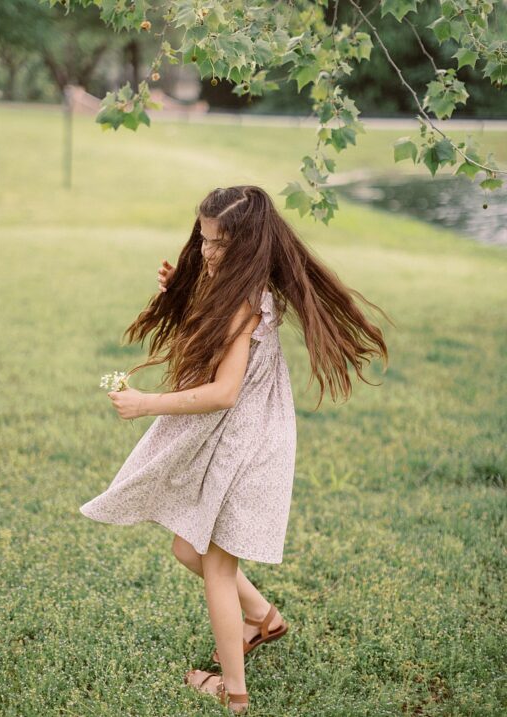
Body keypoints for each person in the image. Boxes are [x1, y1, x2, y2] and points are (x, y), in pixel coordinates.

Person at [80, 185, 390, 713]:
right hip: (245, 438)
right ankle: (265, 619)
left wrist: (148, 402)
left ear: (247, 244)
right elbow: (212, 335)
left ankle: (235, 693)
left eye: (220, 244)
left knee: (217, 569)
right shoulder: (238, 287)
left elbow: (224, 392)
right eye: (203, 241)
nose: (208, 252)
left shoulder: (244, 304)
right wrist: (185, 285)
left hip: (248, 445)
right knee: (187, 549)